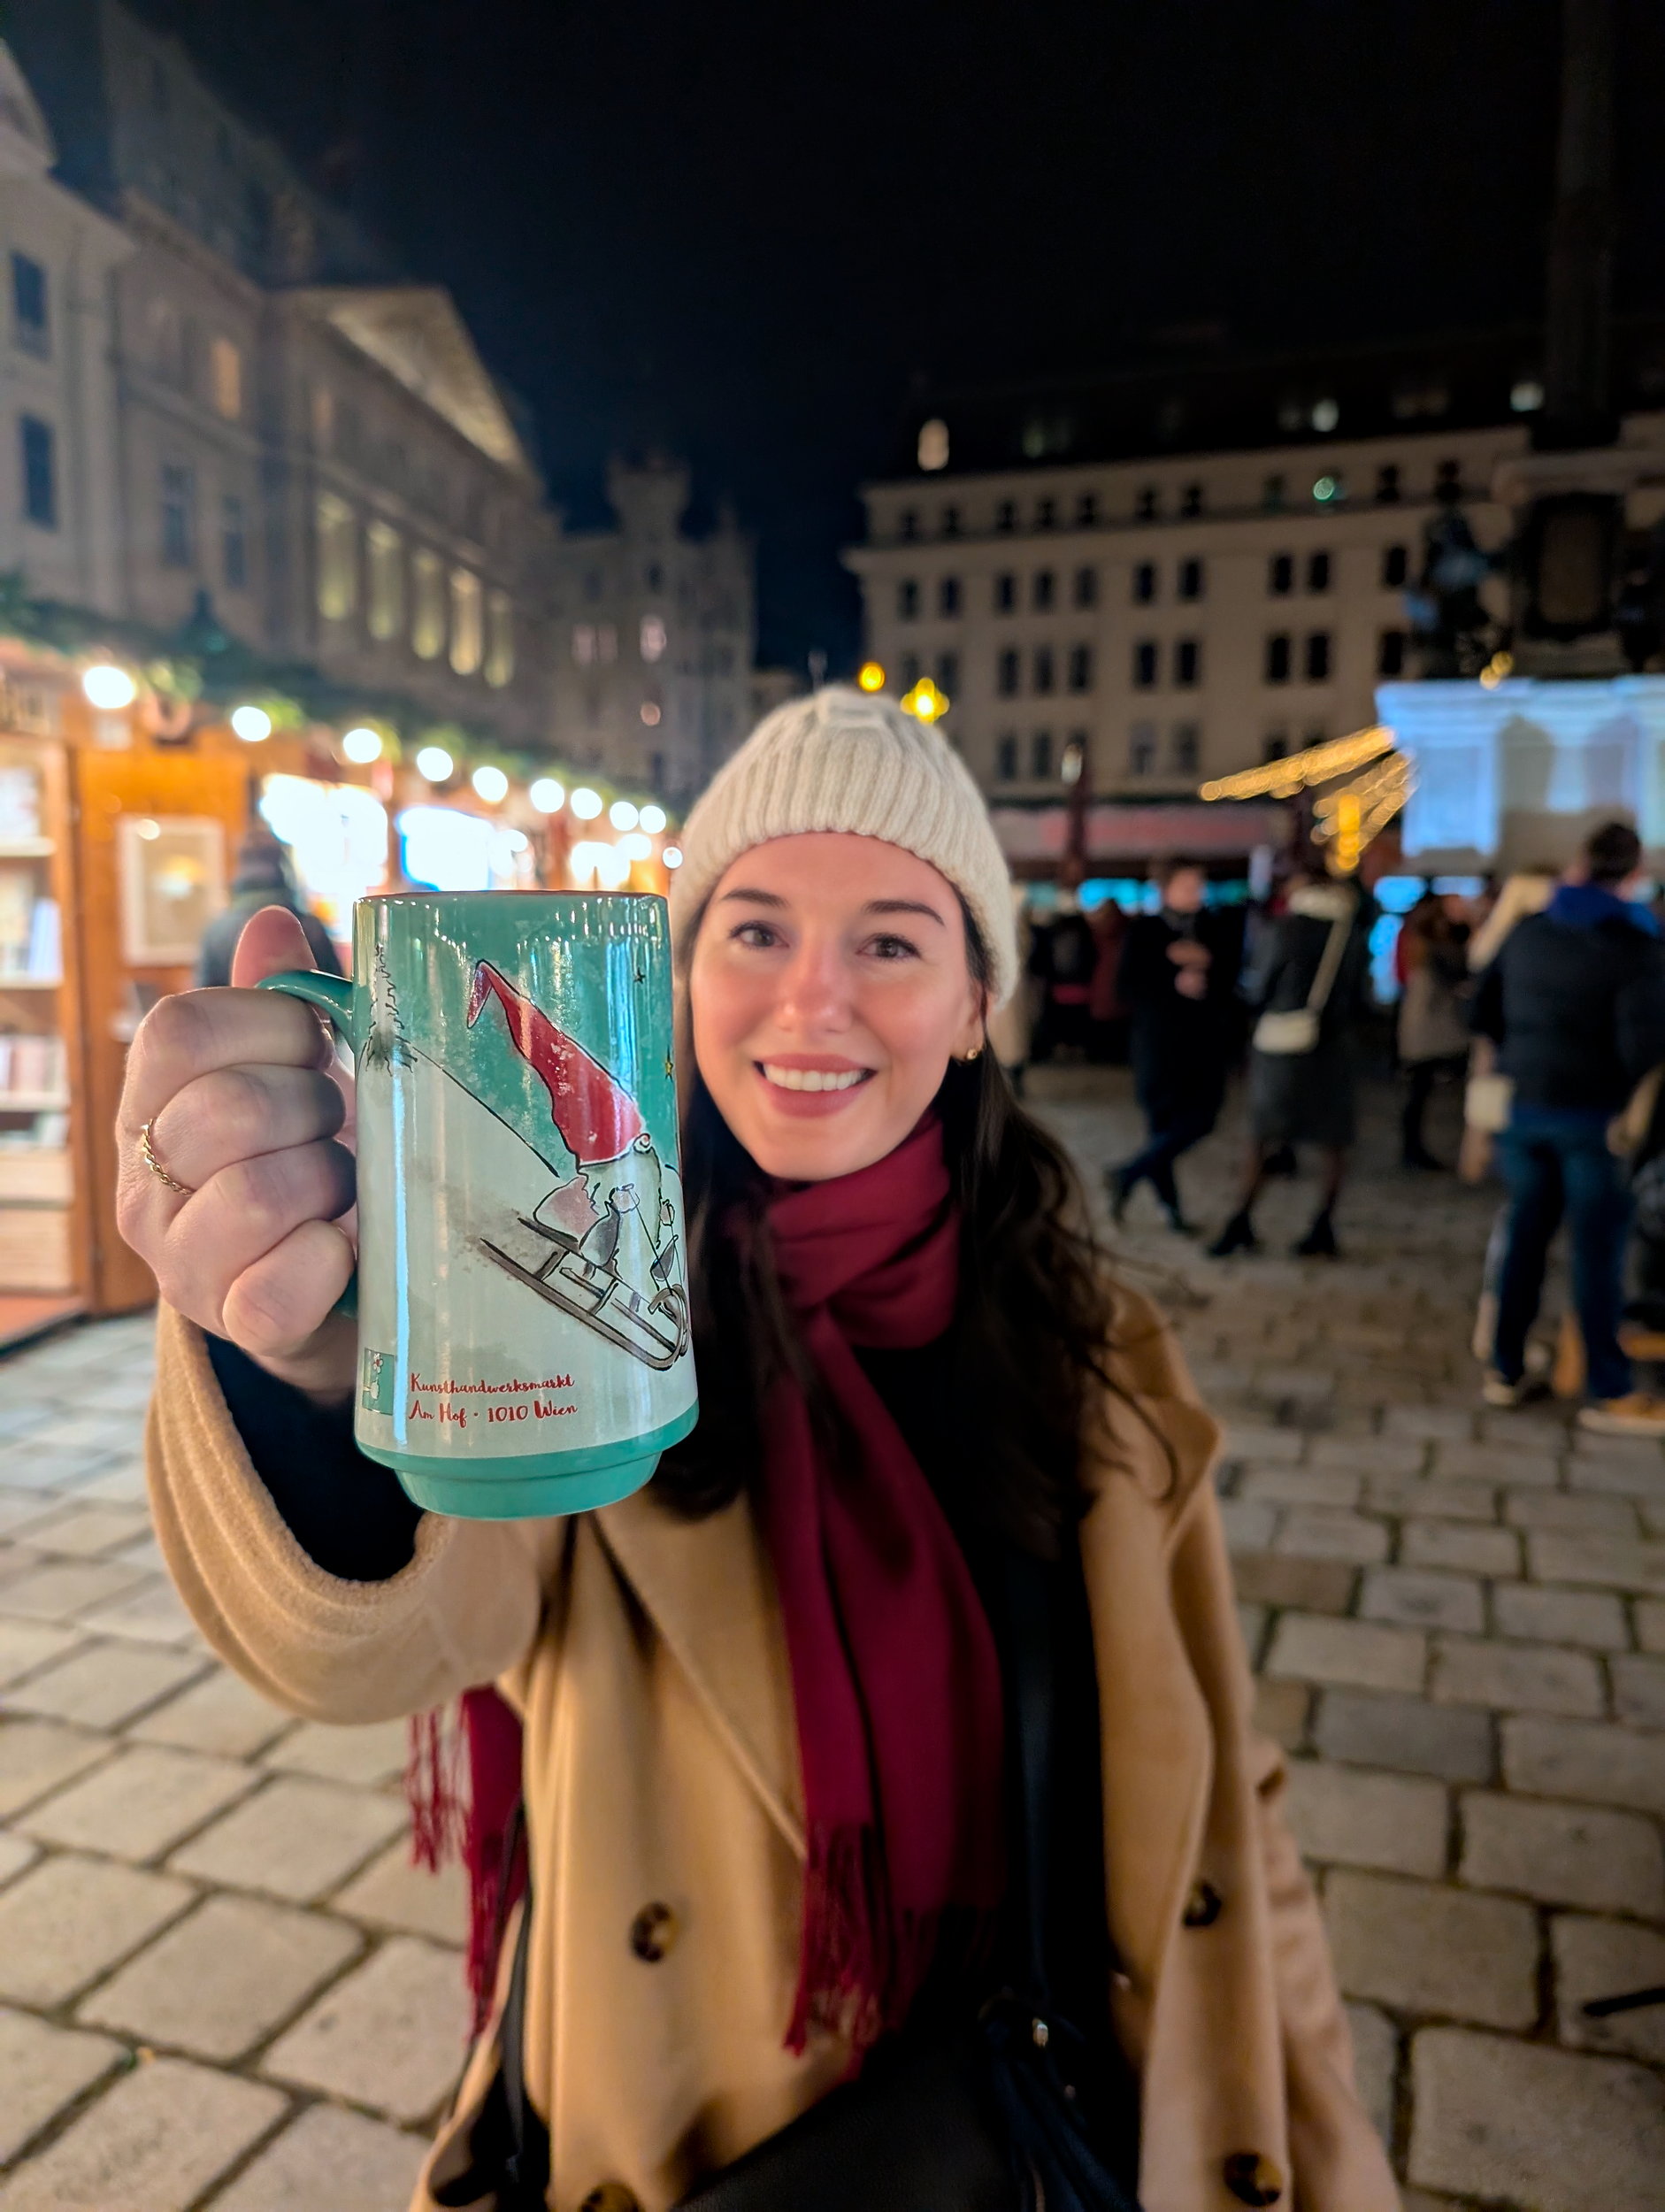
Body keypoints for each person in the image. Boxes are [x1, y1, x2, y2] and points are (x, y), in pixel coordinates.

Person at [119, 689, 1395, 2212]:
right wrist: (314, 1375)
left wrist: (1322, 2139)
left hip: (1048, 2136)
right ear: (673, 976)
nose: (811, 1002)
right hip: (692, 2161)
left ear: (979, 1000)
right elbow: (388, 1642)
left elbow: (1225, 1806)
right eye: (754, 930)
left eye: (891, 941)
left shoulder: (1098, 1344)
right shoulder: (579, 1327)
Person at [1469, 818, 1665, 1434]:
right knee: (1597, 1254)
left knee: (1525, 1239)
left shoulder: (1529, 931)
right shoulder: (1636, 944)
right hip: (1593, 1118)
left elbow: (1484, 1009)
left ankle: (1504, 1368)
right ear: (1634, 875)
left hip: (1525, 1108)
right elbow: (1644, 1045)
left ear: (1580, 861)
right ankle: (1607, 1390)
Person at [1209, 858, 1371, 1260]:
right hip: (1333, 1049)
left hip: (1283, 1046)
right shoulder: (1348, 934)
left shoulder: (1285, 930)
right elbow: (1361, 997)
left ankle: (1241, 1220)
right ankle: (1322, 1225)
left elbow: (1258, 988)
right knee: (1333, 1141)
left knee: (1262, 1135)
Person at [1105, 856, 1239, 1233]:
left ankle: (1128, 1174)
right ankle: (1171, 1211)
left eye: (1199, 885)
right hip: (1159, 1044)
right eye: (1188, 885)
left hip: (1203, 1046)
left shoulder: (1213, 928)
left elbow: (1233, 979)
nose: (1196, 892)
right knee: (1160, 1125)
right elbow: (1126, 987)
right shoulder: (1146, 931)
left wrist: (1208, 969)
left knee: (1202, 1119)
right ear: (1166, 889)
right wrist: (1172, 981)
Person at [195, 833, 342, 987]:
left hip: (229, 1011)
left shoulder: (216, 931)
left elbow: (201, 997)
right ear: (283, 865)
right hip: (298, 1011)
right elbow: (338, 994)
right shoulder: (310, 927)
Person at [1395, 891, 1471, 1169]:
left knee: (1418, 1091)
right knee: (1420, 1091)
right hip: (1433, 1026)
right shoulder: (1436, 944)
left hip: (1424, 1025)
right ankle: (1414, 1149)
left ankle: (1412, 1148)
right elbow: (1458, 975)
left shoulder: (1424, 940)